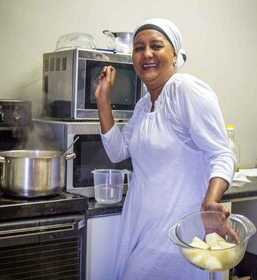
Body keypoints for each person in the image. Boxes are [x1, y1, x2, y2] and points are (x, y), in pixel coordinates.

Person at [95, 18, 236, 280]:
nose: (146, 54)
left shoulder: (185, 90)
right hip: (142, 225)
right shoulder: (143, 104)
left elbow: (222, 154)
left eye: (156, 46)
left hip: (177, 230)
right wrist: (103, 99)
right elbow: (117, 151)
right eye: (138, 48)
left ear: (174, 55)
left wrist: (211, 201)